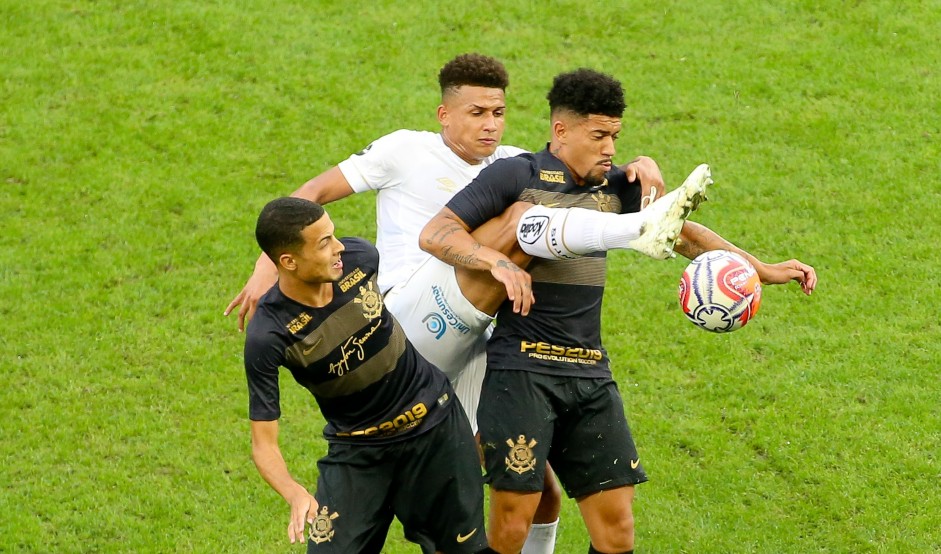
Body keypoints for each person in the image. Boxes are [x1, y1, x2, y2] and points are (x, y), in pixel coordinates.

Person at [227, 53, 663, 553]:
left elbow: (587, 168)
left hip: (477, 341)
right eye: (477, 112)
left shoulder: (516, 164)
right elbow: (312, 195)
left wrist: (638, 169)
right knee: (525, 215)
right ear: (444, 115)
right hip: (408, 319)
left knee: (532, 483)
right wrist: (268, 267)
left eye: (498, 113)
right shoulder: (403, 152)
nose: (491, 125)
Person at [419, 68, 817, 554]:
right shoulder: (515, 175)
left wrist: (759, 269)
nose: (610, 148)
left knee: (616, 530)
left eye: (615, 136)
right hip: (521, 371)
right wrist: (497, 262)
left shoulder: (615, 187)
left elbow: (681, 231)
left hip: (590, 373)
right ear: (561, 132)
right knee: (512, 522)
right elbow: (437, 233)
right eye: (599, 135)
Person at [244, 196, 501, 554]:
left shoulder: (361, 259)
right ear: (288, 261)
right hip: (358, 451)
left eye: (333, 235)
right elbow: (263, 443)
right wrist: (294, 492)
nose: (339, 248)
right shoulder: (270, 335)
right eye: (324, 244)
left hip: (435, 428)